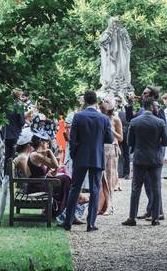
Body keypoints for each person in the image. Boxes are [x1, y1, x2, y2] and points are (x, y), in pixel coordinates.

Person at [59, 91, 113, 232]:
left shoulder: (78, 117)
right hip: (96, 156)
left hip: (80, 157)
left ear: (85, 101)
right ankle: (91, 223)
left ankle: (68, 222)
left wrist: (74, 155)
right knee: (95, 190)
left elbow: (73, 139)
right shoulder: (104, 118)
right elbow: (109, 139)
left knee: (75, 188)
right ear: (96, 101)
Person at [122, 95, 167, 226]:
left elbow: (129, 141)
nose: (156, 108)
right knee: (156, 187)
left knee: (135, 188)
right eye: (155, 106)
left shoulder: (135, 122)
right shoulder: (160, 122)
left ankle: (132, 217)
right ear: (150, 106)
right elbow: (166, 142)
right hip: (155, 158)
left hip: (140, 157)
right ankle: (155, 217)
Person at [97, 98, 123, 215]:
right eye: (100, 107)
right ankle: (103, 205)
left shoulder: (115, 119)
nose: (101, 109)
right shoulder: (99, 118)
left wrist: (111, 130)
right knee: (101, 178)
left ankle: (110, 206)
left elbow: (121, 138)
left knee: (109, 178)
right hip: (99, 149)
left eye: (103, 108)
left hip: (111, 149)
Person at [2, 89, 28, 169]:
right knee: (15, 156)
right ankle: (15, 176)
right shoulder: (19, 105)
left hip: (6, 134)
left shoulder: (6, 105)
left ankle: (6, 176)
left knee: (7, 156)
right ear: (19, 95)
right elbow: (22, 122)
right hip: (16, 134)